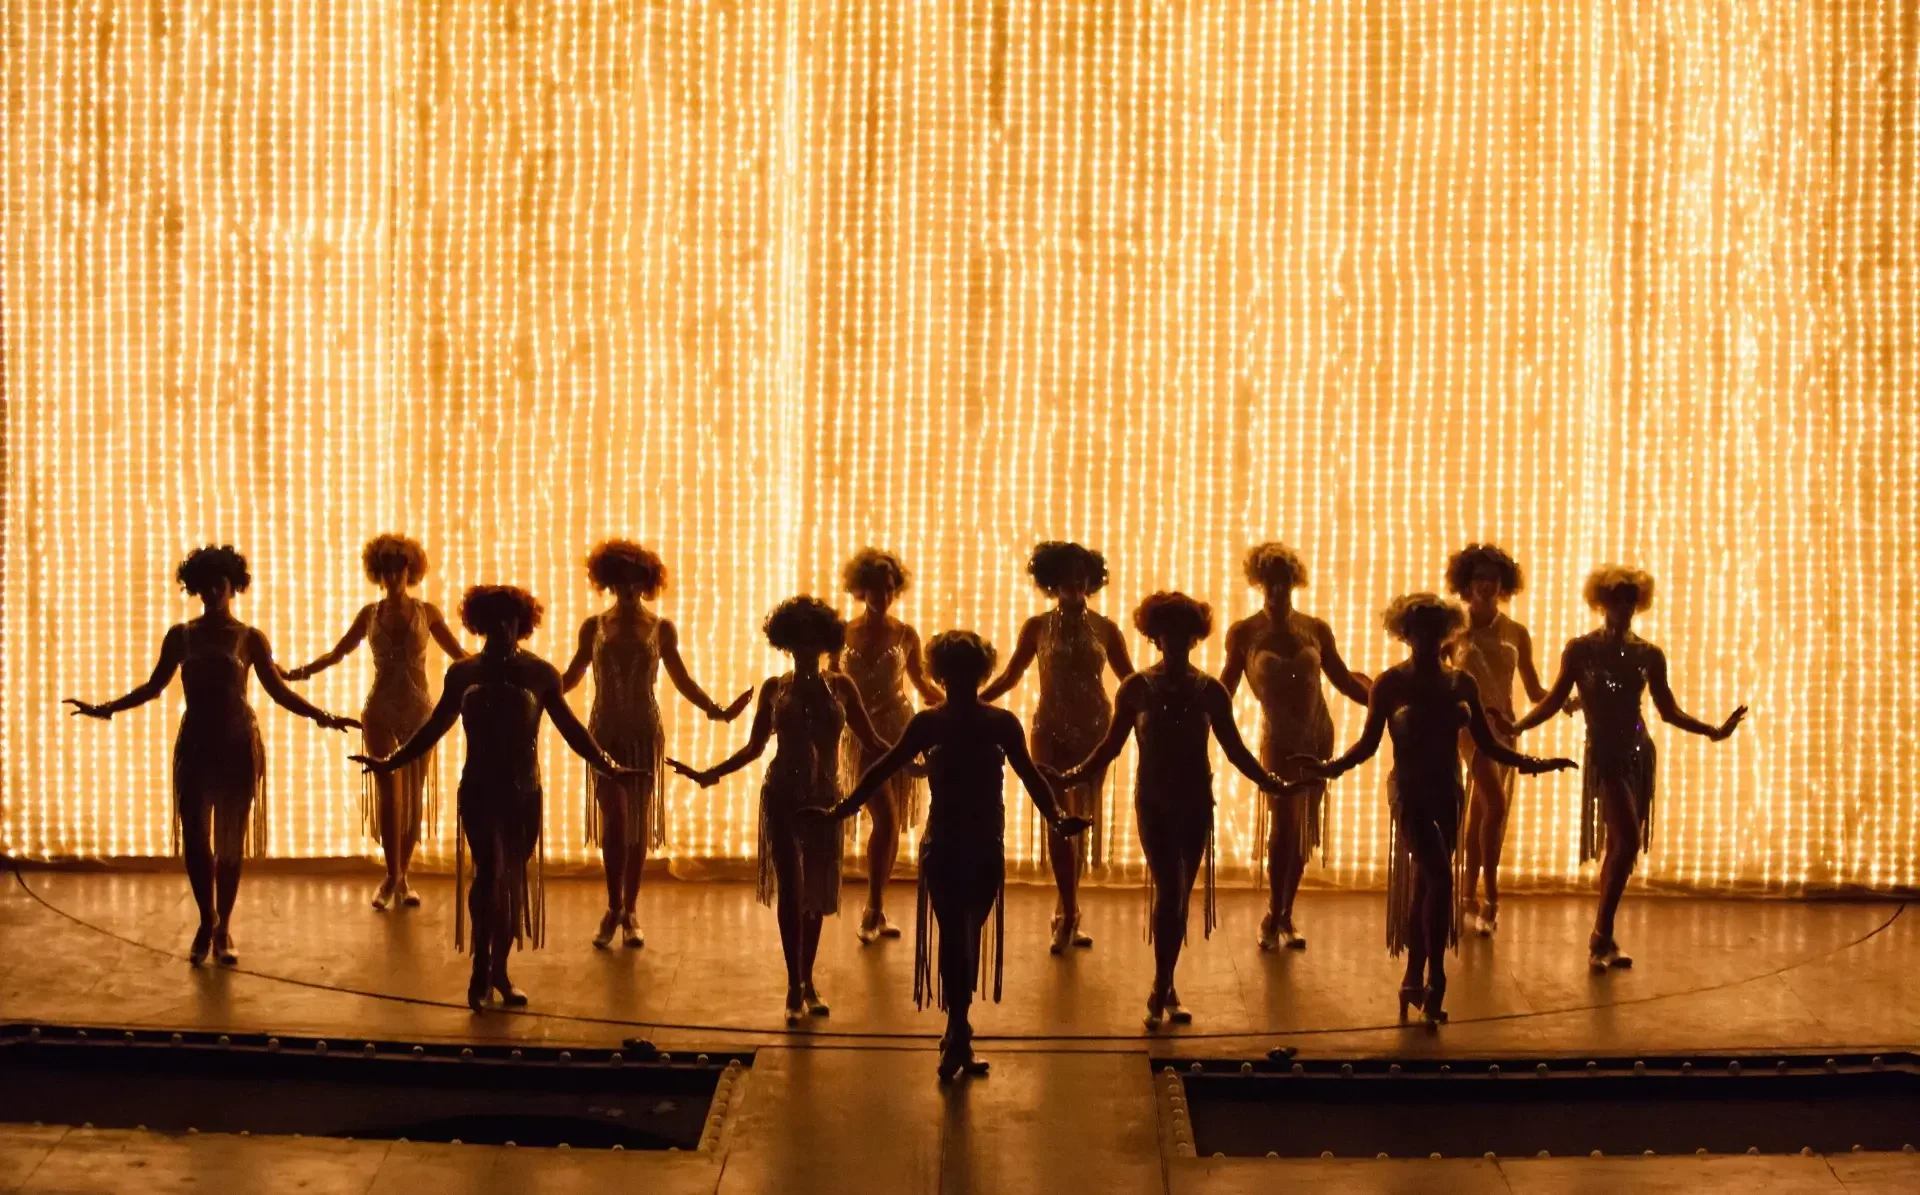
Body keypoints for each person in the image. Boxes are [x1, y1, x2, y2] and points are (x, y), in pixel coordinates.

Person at [810, 630, 1088, 1079]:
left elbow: (884, 767)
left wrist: (842, 809)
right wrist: (1056, 817)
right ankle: (958, 1031)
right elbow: (1030, 778)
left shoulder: (944, 724)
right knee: (962, 935)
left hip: (958, 843)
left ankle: (957, 1029)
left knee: (960, 935)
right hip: (970, 843)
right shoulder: (991, 723)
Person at [65, 545, 358, 965]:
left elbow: (278, 691)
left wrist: (322, 716)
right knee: (197, 840)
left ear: (233, 586)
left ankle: (223, 928)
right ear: (196, 588)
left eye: (219, 585)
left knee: (229, 843)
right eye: (204, 586)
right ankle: (207, 919)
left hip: (237, 745)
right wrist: (106, 708)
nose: (212, 593)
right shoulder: (181, 635)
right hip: (197, 745)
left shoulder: (250, 638)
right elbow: (153, 687)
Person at [355, 584, 643, 1010]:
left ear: (521, 625)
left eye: (510, 621)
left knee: (510, 882)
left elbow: (571, 729)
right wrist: (392, 761)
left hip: (524, 792)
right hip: (479, 789)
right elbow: (435, 726)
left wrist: (608, 765)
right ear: (481, 626)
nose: (503, 629)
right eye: (494, 623)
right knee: (489, 874)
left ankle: (500, 971)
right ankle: (481, 968)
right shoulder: (463, 674)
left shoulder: (540, 674)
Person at [1299, 593, 1573, 1027]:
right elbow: (1368, 745)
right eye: (1417, 629)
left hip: (1449, 792)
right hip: (1409, 792)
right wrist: (1330, 768)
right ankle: (1436, 979)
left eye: (1433, 628)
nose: (1425, 636)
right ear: (1405, 633)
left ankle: (1412, 977)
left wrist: (1534, 762)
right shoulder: (1390, 684)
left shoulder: (1462, 683)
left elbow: (1487, 744)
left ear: (1444, 632)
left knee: (1428, 886)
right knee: (1440, 878)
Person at [1053, 592, 1293, 1029]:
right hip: (1154, 803)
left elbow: (1235, 749)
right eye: (1168, 633)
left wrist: (1269, 780)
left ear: (1195, 637)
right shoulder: (1136, 688)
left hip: (1195, 802)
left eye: (1184, 633)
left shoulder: (1210, 691)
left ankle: (1166, 984)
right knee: (1170, 889)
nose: (1176, 640)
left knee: (1179, 895)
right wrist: (1074, 774)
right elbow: (1110, 746)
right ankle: (1161, 986)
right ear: (1155, 637)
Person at [1507, 566, 1746, 971]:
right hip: (1605, 757)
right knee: (1627, 841)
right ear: (1602, 602)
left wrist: (1712, 731)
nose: (1624, 607)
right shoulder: (1581, 649)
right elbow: (1553, 701)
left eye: (1630, 600)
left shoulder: (1648, 654)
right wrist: (1517, 727)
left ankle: (1603, 935)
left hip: (1638, 754)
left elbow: (1667, 710)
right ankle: (1601, 934)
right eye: (1616, 599)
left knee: (1619, 846)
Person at [669, 597, 887, 1023]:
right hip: (782, 794)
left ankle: (807, 980)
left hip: (826, 799)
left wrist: (913, 759)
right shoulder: (775, 689)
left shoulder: (842, 686)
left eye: (812, 640)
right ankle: (793, 984)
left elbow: (872, 739)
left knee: (817, 894)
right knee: (792, 889)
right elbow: (754, 748)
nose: (805, 648)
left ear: (824, 642)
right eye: (798, 641)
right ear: (786, 643)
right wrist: (710, 774)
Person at [560, 540, 749, 949]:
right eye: (621, 579)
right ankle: (613, 907)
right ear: (609, 582)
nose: (628, 587)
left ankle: (630, 910)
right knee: (614, 820)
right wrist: (535, 691)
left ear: (646, 583)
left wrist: (716, 710)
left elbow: (681, 679)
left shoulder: (661, 628)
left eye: (635, 580)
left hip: (644, 732)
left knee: (636, 824)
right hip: (603, 731)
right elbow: (572, 675)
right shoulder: (593, 627)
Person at [284, 534, 468, 910]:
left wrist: (498, 668)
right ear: (377, 573)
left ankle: (402, 876)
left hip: (420, 710)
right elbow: (338, 652)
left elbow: (459, 654)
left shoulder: (428, 612)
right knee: (389, 794)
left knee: (413, 795)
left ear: (410, 570)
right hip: (380, 708)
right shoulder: (370, 614)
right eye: (385, 569)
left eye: (398, 568)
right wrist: (298, 672)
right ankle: (391, 876)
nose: (392, 575)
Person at [981, 541, 1135, 954]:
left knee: (1078, 819)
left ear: (1091, 579)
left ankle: (1068, 910)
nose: (1075, 581)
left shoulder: (1106, 628)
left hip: (1095, 730)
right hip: (1048, 729)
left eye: (1081, 574)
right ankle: (1067, 911)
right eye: (1067, 574)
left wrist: (1156, 707)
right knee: (1057, 818)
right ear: (1053, 580)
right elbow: (1011, 675)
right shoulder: (1037, 627)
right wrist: (973, 701)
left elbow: (1130, 680)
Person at [1220, 542, 1370, 950]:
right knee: (1283, 824)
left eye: (1284, 582)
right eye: (1270, 582)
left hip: (1317, 734)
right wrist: (1196, 714)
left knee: (1303, 826)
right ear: (1259, 583)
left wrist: (1386, 701)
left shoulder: (1316, 629)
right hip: (1277, 738)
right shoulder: (1244, 632)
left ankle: (1286, 914)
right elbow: (1225, 688)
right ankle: (1273, 911)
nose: (1277, 590)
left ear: (1294, 583)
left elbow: (1343, 679)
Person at [1443, 543, 1550, 936]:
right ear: (1466, 583)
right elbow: (1434, 675)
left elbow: (1535, 689)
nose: (1486, 585)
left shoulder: (1517, 633)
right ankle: (1491, 896)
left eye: (1493, 578)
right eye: (1479, 578)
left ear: (1503, 584)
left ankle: (1466, 895)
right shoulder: (1452, 628)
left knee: (1482, 813)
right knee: (1495, 804)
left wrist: (1567, 698)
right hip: (1469, 728)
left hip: (1505, 729)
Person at [837, 547, 942, 944]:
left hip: (899, 731)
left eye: (889, 588)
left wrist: (955, 703)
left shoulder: (905, 634)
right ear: (860, 590)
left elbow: (919, 683)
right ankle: (873, 908)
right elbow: (832, 682)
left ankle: (875, 908)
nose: (883, 596)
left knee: (890, 820)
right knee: (884, 816)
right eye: (875, 588)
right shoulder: (842, 632)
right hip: (858, 734)